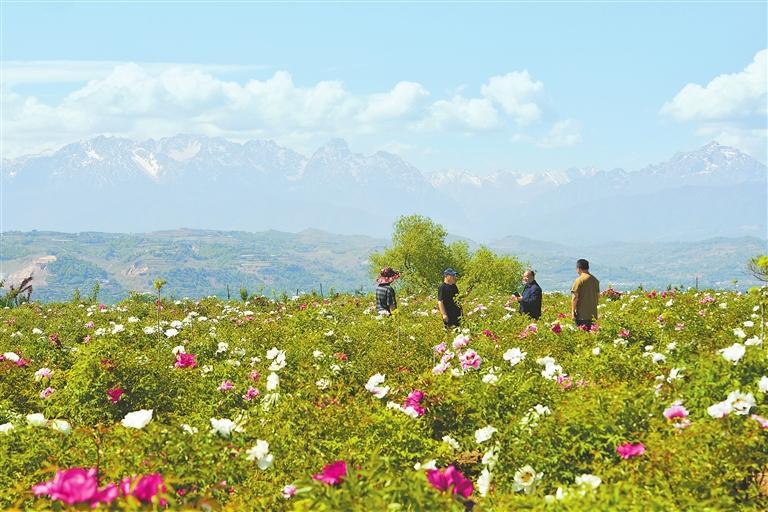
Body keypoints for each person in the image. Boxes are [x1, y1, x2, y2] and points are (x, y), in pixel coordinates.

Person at [571, 259, 600, 329]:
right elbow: (598, 296)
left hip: (581, 316)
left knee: (582, 336)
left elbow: (575, 298)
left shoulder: (579, 280)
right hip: (593, 315)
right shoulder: (595, 280)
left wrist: (573, 311)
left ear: (579, 268)